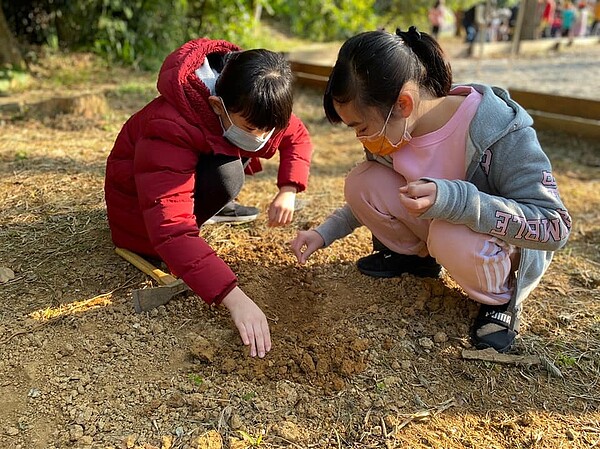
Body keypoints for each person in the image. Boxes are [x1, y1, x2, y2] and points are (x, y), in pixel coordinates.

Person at [289, 27, 571, 353]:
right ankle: (416, 259)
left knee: (446, 233)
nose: (359, 138)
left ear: (404, 103)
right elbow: (375, 196)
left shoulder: (497, 130)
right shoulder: (393, 136)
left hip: (499, 246)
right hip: (442, 232)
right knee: (362, 181)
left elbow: (555, 226)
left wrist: (457, 200)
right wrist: (324, 233)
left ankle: (501, 297)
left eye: (360, 127)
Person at [105, 38, 313, 358]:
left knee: (231, 165)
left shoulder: (251, 100)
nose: (260, 139)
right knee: (228, 175)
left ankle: (212, 204)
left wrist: (288, 190)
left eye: (268, 130)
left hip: (182, 180)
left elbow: (296, 137)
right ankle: (209, 205)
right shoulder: (168, 125)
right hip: (139, 217)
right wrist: (234, 297)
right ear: (217, 104)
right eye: (251, 128)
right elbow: (169, 227)